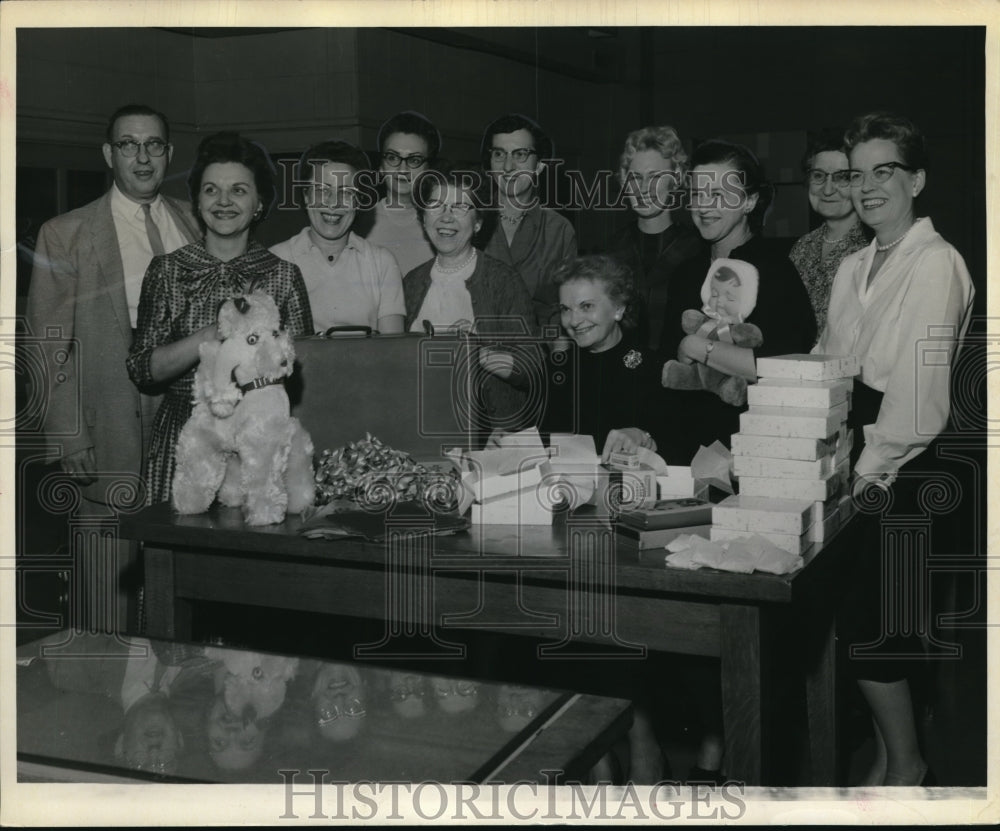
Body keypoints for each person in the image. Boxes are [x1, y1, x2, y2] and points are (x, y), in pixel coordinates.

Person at [816, 112, 974, 786]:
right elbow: (829, 367)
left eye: (886, 171)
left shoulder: (937, 262)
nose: (869, 185)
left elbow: (917, 401)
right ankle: (889, 757)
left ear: (917, 179)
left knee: (875, 636)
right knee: (858, 632)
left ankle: (907, 765)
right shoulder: (854, 264)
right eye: (859, 173)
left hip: (906, 466)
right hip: (853, 454)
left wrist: (861, 471)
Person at [25, 102, 201, 629]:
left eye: (153, 145)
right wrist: (67, 434)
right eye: (129, 144)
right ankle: (102, 687)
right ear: (109, 154)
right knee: (107, 574)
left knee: (179, 557)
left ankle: (174, 685)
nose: (142, 157)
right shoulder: (67, 233)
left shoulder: (194, 220)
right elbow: (45, 342)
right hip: (107, 419)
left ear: (169, 154)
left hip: (185, 418)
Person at [126, 132, 313, 507]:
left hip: (261, 444)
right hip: (184, 441)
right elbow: (143, 369)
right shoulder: (167, 271)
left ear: (259, 202)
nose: (224, 201)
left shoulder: (283, 275)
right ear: (197, 200)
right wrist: (214, 335)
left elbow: (301, 376)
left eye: (239, 191)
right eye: (211, 190)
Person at [659, 139, 817, 465]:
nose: (704, 206)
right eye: (698, 195)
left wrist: (700, 348)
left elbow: (787, 364)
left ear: (749, 202)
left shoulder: (774, 272)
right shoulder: (685, 273)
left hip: (753, 450)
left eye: (719, 195)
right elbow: (668, 364)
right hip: (685, 448)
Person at [403, 168, 537, 433]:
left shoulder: (503, 281)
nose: (446, 217)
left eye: (460, 207)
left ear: (477, 222)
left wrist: (474, 352)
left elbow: (531, 368)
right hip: (420, 422)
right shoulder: (411, 282)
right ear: (423, 219)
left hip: (490, 430)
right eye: (436, 206)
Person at [270, 140, 404, 334]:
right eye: (322, 190)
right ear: (306, 195)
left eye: (346, 192)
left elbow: (394, 351)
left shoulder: (382, 263)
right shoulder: (277, 260)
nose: (333, 203)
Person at [539, 255, 662, 460]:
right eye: (566, 309)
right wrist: (509, 443)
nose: (575, 320)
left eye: (586, 306)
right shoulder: (555, 369)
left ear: (618, 308)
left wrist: (643, 437)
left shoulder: (652, 369)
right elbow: (540, 442)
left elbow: (677, 447)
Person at [610, 125, 704, 351]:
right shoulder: (613, 250)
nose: (643, 188)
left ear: (676, 179)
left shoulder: (698, 250)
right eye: (636, 177)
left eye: (655, 177)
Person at [480, 113, 577, 327]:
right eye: (499, 154)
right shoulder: (467, 220)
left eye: (520, 154)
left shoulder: (559, 230)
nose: (507, 167)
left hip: (535, 353)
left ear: (539, 165)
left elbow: (563, 307)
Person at [789, 129, 869, 336]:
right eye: (818, 176)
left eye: (842, 178)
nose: (827, 189)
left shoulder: (872, 248)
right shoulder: (802, 247)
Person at [363, 111, 439, 276]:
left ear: (429, 169)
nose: (402, 169)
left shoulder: (444, 223)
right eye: (392, 157)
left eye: (414, 160)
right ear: (381, 166)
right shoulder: (360, 223)